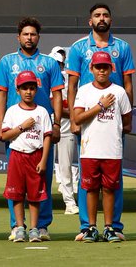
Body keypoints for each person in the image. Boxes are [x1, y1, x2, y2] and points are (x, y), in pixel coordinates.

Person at [65, 4, 134, 238]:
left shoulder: (122, 47)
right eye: (97, 15)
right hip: (87, 126)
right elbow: (71, 86)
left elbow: (128, 85)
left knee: (113, 184)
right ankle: (88, 226)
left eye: (105, 15)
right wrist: (75, 120)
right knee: (88, 183)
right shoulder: (78, 48)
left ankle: (113, 226)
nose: (101, 18)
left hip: (111, 129)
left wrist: (124, 118)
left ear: (111, 20)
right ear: (90, 20)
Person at [0, 17, 63, 242]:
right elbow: (2, 93)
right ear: (18, 37)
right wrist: (1, 124)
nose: (29, 38)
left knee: (41, 178)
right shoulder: (7, 62)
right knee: (15, 182)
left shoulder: (50, 63)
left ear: (38, 37)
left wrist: (55, 125)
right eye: (25, 34)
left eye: (33, 34)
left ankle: (41, 225)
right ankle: (17, 225)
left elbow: (57, 95)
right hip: (15, 130)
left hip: (41, 130)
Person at [73, 51, 132, 243]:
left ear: (111, 69)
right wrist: (100, 106)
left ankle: (109, 228)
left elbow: (127, 121)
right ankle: (90, 227)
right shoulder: (84, 91)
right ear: (91, 68)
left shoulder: (119, 91)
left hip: (112, 149)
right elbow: (77, 118)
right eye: (98, 67)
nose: (101, 71)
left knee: (109, 189)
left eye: (105, 67)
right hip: (90, 149)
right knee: (90, 189)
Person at [0, 70, 53, 242]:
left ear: (36, 90)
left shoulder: (42, 112)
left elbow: (47, 136)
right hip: (17, 156)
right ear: (17, 90)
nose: (28, 92)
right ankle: (20, 227)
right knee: (17, 194)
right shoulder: (12, 111)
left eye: (31, 88)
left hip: (36, 156)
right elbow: (4, 136)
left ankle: (34, 228)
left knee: (35, 196)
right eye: (24, 88)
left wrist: (44, 160)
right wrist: (23, 126)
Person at [49, 46, 79, 215]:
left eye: (61, 63)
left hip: (66, 128)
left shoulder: (71, 80)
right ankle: (41, 204)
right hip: (46, 126)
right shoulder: (44, 76)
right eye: (56, 62)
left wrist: (72, 115)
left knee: (66, 167)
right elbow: (50, 103)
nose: (58, 66)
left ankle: (69, 202)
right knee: (43, 166)